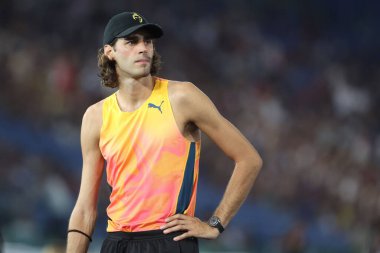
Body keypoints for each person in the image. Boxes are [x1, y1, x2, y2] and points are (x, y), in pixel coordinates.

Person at [66, 11, 262, 253]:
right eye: (131, 41)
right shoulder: (95, 117)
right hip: (116, 242)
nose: (143, 48)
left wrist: (215, 224)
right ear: (110, 52)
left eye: (147, 41)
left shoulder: (182, 97)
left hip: (169, 240)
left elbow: (249, 159)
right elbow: (85, 207)